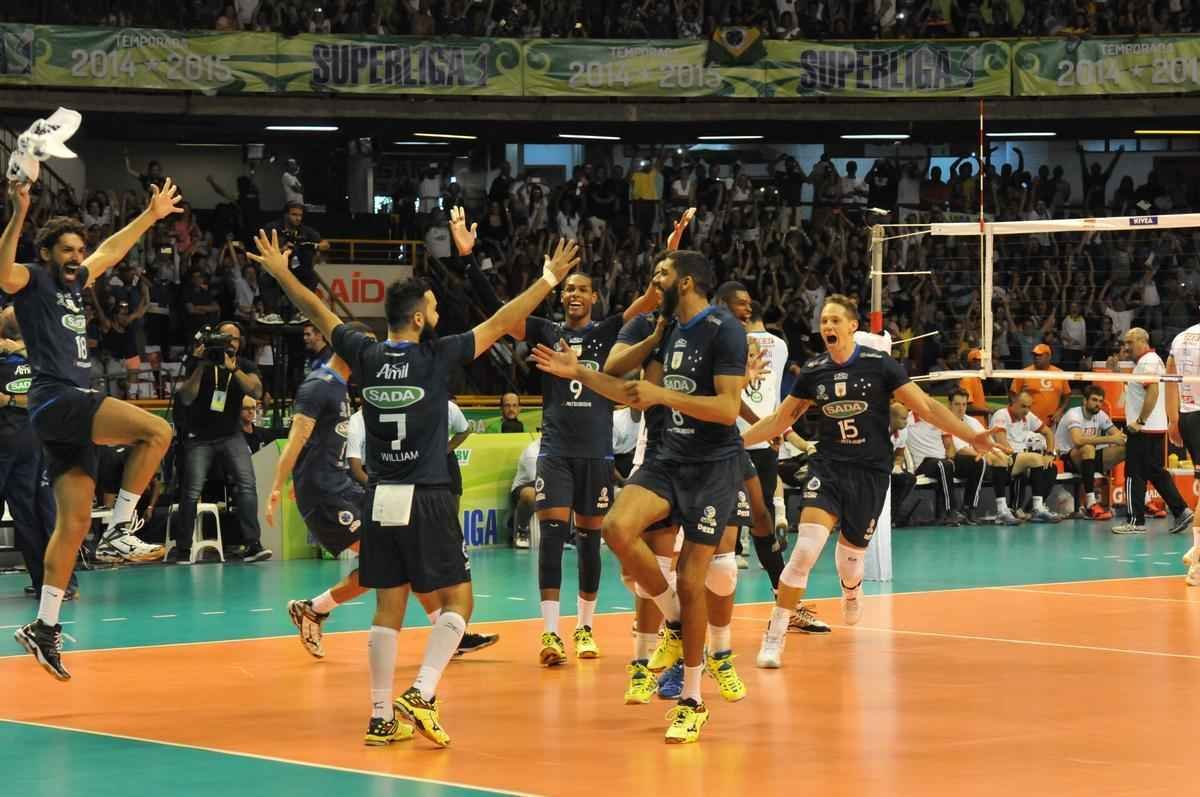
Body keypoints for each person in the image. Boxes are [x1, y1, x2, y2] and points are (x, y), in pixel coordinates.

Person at [246, 215, 580, 747]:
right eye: (434, 306)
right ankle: (422, 691)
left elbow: (316, 308)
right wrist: (547, 280)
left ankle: (381, 716)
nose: (439, 311)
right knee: (460, 603)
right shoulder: (437, 355)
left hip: (380, 498)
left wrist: (284, 275)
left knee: (387, 606)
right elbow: (501, 321)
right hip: (427, 496)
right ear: (421, 317)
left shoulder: (365, 352)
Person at [531, 249, 751, 744]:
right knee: (615, 529)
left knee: (697, 579)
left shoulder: (723, 329)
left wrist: (663, 396)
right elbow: (632, 393)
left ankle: (692, 701)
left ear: (687, 281)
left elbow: (726, 407)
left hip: (713, 467)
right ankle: (673, 620)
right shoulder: (665, 329)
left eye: (663, 273)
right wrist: (580, 374)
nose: (655, 279)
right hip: (667, 459)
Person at [737, 294, 1002, 671]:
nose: (826, 326)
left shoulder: (880, 366)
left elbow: (925, 407)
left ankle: (851, 591)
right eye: (823, 320)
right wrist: (736, 440)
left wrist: (970, 435)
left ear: (852, 328)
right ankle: (775, 637)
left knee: (849, 561)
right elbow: (781, 419)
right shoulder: (813, 370)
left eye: (834, 321)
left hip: (870, 474)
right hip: (828, 469)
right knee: (805, 550)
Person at [4, 178, 179, 681]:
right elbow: (2, 268)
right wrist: (19, 211)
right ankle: (121, 528)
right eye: (67, 249)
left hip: (63, 415)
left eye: (78, 249)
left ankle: (44, 624)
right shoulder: (33, 279)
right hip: (58, 397)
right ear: (46, 252)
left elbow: (110, 249)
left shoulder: (76, 283)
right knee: (156, 432)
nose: (77, 256)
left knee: (73, 522)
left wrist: (150, 215)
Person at [520, 264, 656, 666]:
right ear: (561, 297)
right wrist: (470, 260)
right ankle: (550, 633)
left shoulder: (606, 332)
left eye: (582, 289)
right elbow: (503, 313)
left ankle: (584, 628)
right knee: (551, 536)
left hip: (596, 453)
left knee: (589, 541)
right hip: (556, 451)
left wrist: (670, 252)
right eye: (568, 290)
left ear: (594, 297)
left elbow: (648, 299)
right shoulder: (547, 331)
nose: (574, 294)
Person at [173, 321, 271, 563]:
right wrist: (200, 365)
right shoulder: (199, 362)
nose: (229, 342)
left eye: (234, 338)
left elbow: (256, 391)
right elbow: (185, 397)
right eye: (224, 337)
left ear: (240, 343)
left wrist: (233, 369)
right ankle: (183, 548)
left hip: (231, 434)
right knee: (191, 491)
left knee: (247, 485)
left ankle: (252, 544)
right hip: (199, 437)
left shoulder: (244, 365)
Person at [0, 308, 77, 598]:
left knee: (34, 516)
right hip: (26, 446)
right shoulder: (37, 356)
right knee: (32, 516)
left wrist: (8, 399)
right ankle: (53, 584)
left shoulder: (41, 357)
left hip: (29, 448)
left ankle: (57, 583)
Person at [1116, 328, 1193, 535]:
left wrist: (1139, 421)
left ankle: (1135, 521)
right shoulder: (1152, 360)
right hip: (1155, 427)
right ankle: (1182, 510)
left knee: (1133, 474)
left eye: (1129, 342)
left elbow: (1153, 390)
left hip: (1144, 430)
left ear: (1142, 340)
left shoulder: (1147, 362)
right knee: (1156, 473)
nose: (1126, 347)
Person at [946, 388, 1018, 525]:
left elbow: (988, 443)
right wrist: (985, 456)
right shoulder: (946, 421)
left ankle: (1002, 509)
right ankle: (969, 508)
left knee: (1001, 460)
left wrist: (997, 454)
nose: (961, 408)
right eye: (957, 404)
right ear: (950, 404)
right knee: (979, 462)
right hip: (956, 460)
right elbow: (961, 450)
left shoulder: (972, 421)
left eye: (964, 404)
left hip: (977, 459)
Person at [990, 391, 1063, 524]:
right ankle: (1034, 508)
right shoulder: (1001, 415)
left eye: (1029, 407)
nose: (1027, 410)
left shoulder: (1028, 416)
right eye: (1023, 406)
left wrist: (1049, 455)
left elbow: (1048, 433)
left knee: (1050, 468)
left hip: (1021, 458)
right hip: (1004, 458)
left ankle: (1033, 509)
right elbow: (1001, 442)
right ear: (1013, 403)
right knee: (1034, 459)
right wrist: (1025, 457)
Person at [1054, 384, 1125, 521]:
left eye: (1100, 401)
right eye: (1094, 400)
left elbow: (1118, 436)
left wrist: (1123, 439)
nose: (1098, 404)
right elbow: (1078, 440)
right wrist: (1110, 438)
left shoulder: (1101, 415)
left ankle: (1140, 500)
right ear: (1084, 401)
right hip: (1066, 459)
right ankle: (1091, 504)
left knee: (1126, 450)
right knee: (1088, 447)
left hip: (1089, 460)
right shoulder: (1073, 414)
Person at [1164, 321, 1200, 585]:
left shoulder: (1181, 336)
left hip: (1188, 418)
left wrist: (1173, 419)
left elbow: (1169, 378)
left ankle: (1197, 561)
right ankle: (1198, 556)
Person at [1010, 343, 1071, 427]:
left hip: (1051, 422)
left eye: (1039, 355)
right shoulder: (1024, 373)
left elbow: (1067, 395)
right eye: (1034, 355)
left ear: (1049, 356)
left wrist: (1060, 411)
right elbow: (1013, 395)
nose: (1036, 357)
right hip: (1028, 422)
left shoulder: (1059, 373)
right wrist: (1020, 413)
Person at [510, 436, 539, 549]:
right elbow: (539, 482)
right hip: (524, 488)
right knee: (531, 494)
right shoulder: (532, 452)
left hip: (553, 484)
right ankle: (522, 531)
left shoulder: (562, 449)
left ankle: (572, 535)